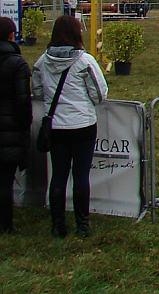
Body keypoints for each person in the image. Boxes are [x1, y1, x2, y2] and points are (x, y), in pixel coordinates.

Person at [31, 15, 108, 238]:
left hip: (55, 125)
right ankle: (82, 225)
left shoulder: (41, 62)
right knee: (81, 176)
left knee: (58, 176)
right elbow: (99, 94)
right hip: (82, 124)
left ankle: (57, 226)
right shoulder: (84, 61)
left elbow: (37, 91)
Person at [0, 17, 31, 234]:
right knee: (5, 181)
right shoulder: (17, 63)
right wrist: (25, 124)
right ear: (12, 35)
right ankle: (5, 224)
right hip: (10, 128)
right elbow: (22, 100)